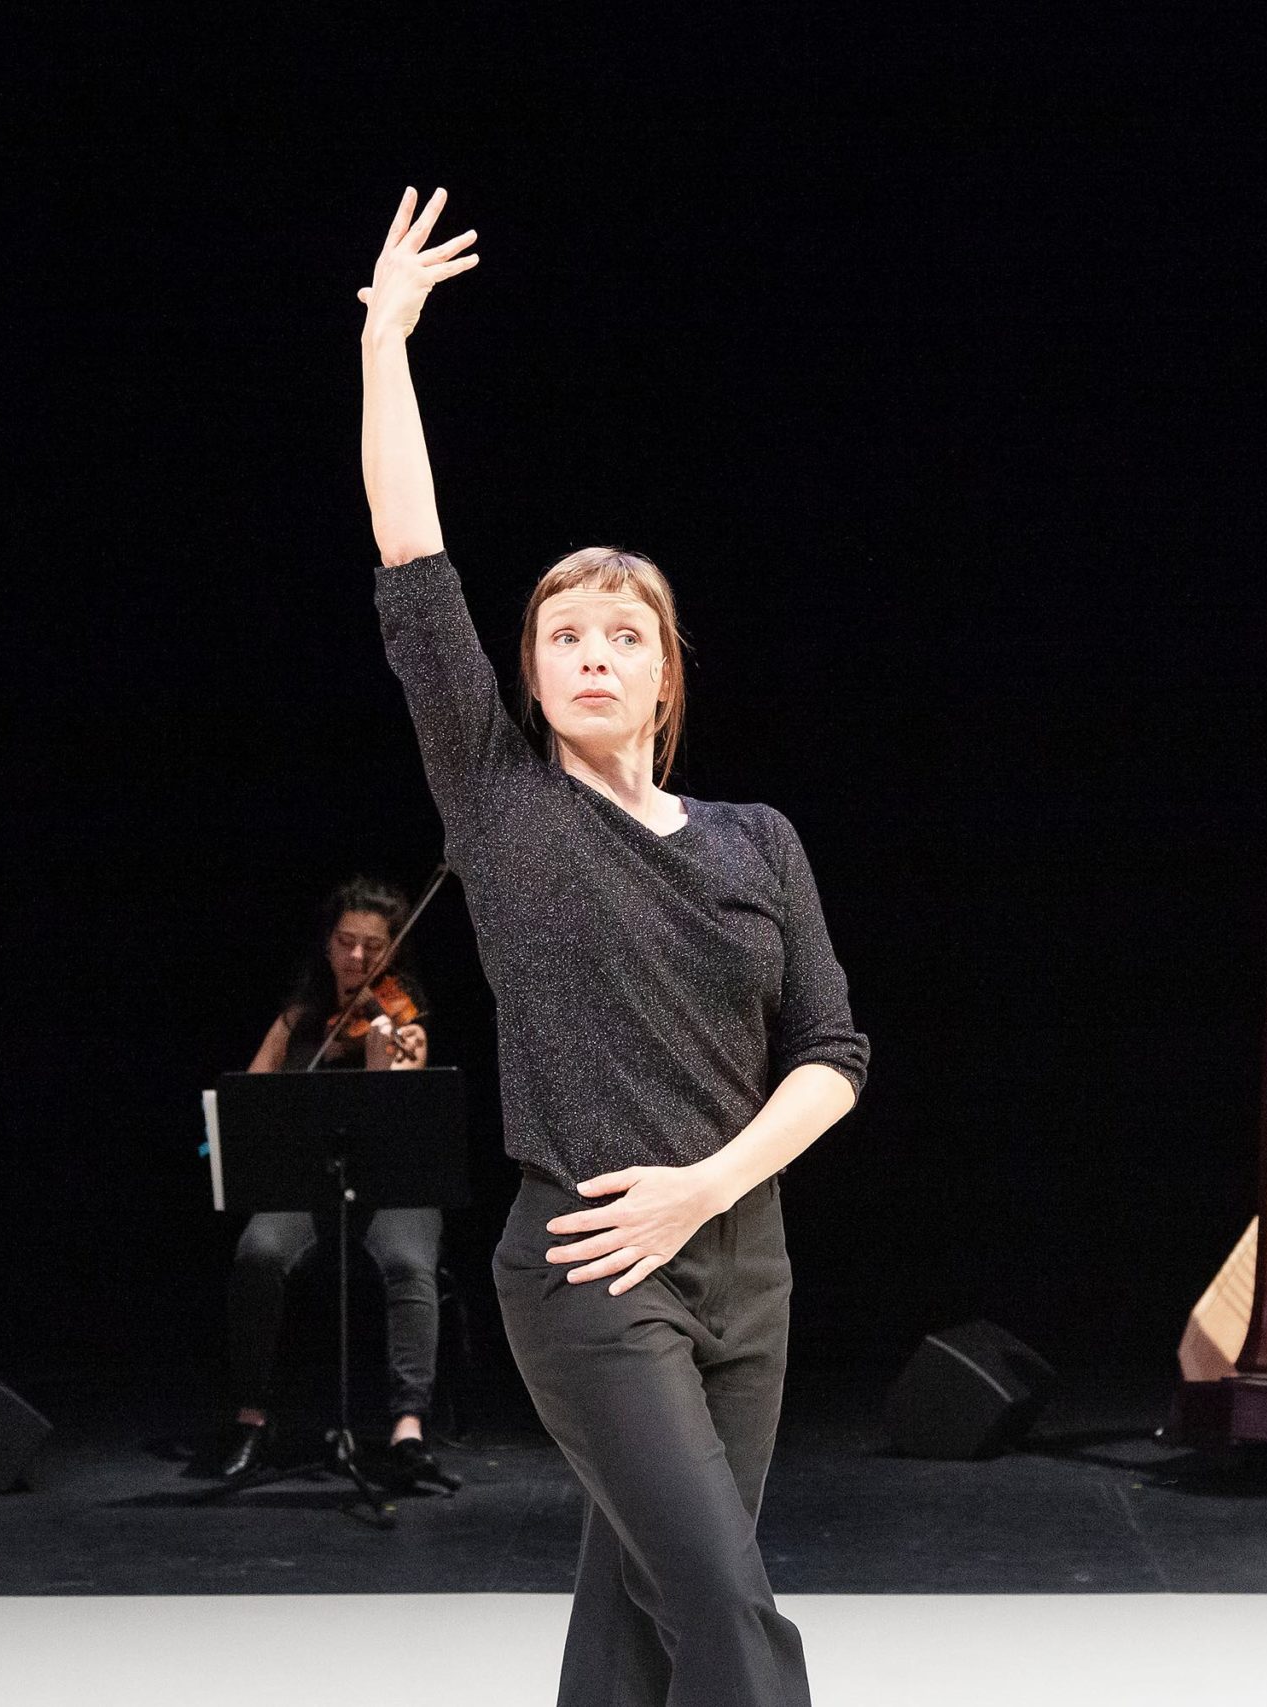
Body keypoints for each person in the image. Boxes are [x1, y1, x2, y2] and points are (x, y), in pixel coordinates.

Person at [358, 187, 867, 1707]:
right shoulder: (504, 804)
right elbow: (415, 567)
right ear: (526, 676)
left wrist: (712, 1185)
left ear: (664, 676)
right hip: (588, 1261)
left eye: (623, 634)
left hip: (744, 1262)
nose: (593, 651)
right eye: (564, 635)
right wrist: (386, 345)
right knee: (729, 1611)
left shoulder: (757, 839)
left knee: (642, 1613)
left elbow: (832, 1054)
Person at [215, 874, 443, 1486]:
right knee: (258, 1253)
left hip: (387, 1190)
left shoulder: (404, 1025)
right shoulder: (296, 1021)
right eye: (346, 942)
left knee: (410, 1264)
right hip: (306, 1186)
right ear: (328, 944)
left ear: (393, 952)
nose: (358, 957)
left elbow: (394, 1128)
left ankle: (407, 1428)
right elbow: (247, 1106)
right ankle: (251, 1418)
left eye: (374, 946)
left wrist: (379, 1062)